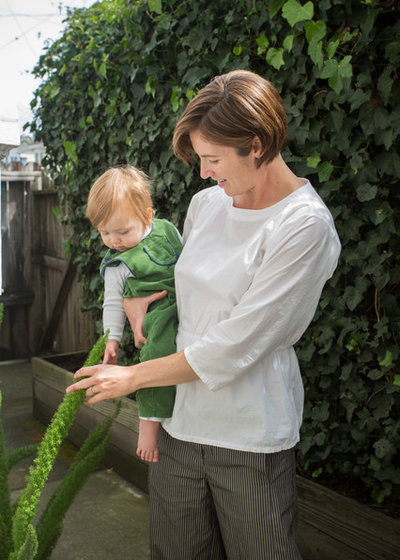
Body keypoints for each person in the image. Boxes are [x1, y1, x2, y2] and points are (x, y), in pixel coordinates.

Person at [67, 69, 341, 559]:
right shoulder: (207, 205)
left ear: (256, 145)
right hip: (178, 424)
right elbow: (189, 294)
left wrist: (131, 377)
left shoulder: (304, 226)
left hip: (248, 436)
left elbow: (236, 344)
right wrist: (139, 299)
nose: (203, 172)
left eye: (213, 159)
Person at [86, 165, 182, 462]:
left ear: (148, 216)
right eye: (105, 232)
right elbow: (113, 303)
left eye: (123, 231)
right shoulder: (118, 264)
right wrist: (112, 340)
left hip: (188, 298)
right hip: (157, 315)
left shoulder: (168, 230)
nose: (114, 241)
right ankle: (149, 423)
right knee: (155, 355)